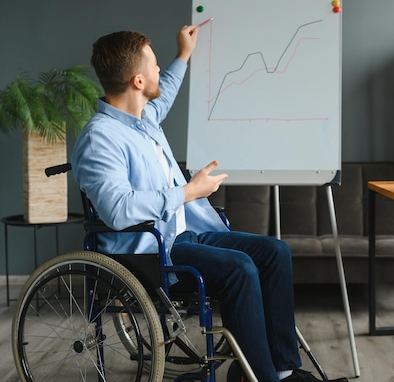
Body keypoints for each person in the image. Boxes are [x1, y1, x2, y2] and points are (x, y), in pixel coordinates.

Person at [71, 25, 346, 382]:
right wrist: (188, 192)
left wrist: (183, 55)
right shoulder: (100, 137)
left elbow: (164, 92)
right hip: (149, 251)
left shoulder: (143, 121)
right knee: (240, 269)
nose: (158, 71)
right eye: (153, 65)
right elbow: (117, 210)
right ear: (138, 81)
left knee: (275, 252)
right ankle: (262, 377)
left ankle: (280, 369)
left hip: (183, 234)